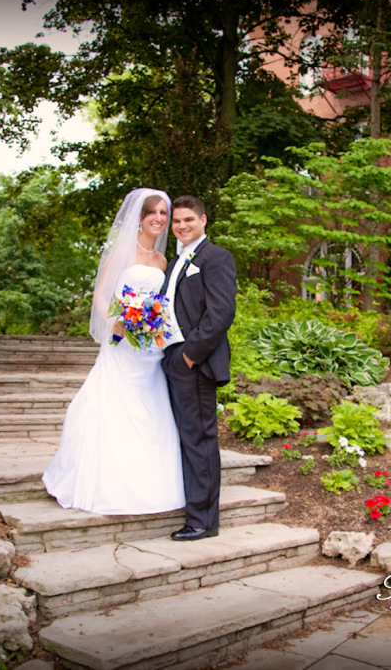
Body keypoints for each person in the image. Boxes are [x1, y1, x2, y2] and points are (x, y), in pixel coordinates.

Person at [41, 188, 186, 515]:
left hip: (151, 349)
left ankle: (154, 485)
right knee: (116, 407)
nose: (159, 219)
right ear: (140, 216)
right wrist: (115, 322)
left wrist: (155, 325)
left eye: (164, 214)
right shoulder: (123, 251)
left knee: (152, 410)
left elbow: (162, 304)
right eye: (153, 213)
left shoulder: (163, 260)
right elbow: (101, 296)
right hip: (122, 346)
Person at [161, 195, 237, 541]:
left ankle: (203, 521)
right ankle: (196, 512)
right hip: (171, 359)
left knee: (200, 440)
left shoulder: (216, 258)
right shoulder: (176, 260)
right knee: (187, 438)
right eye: (177, 221)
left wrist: (189, 356)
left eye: (188, 219)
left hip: (195, 362)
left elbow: (220, 314)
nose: (182, 226)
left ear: (204, 220)